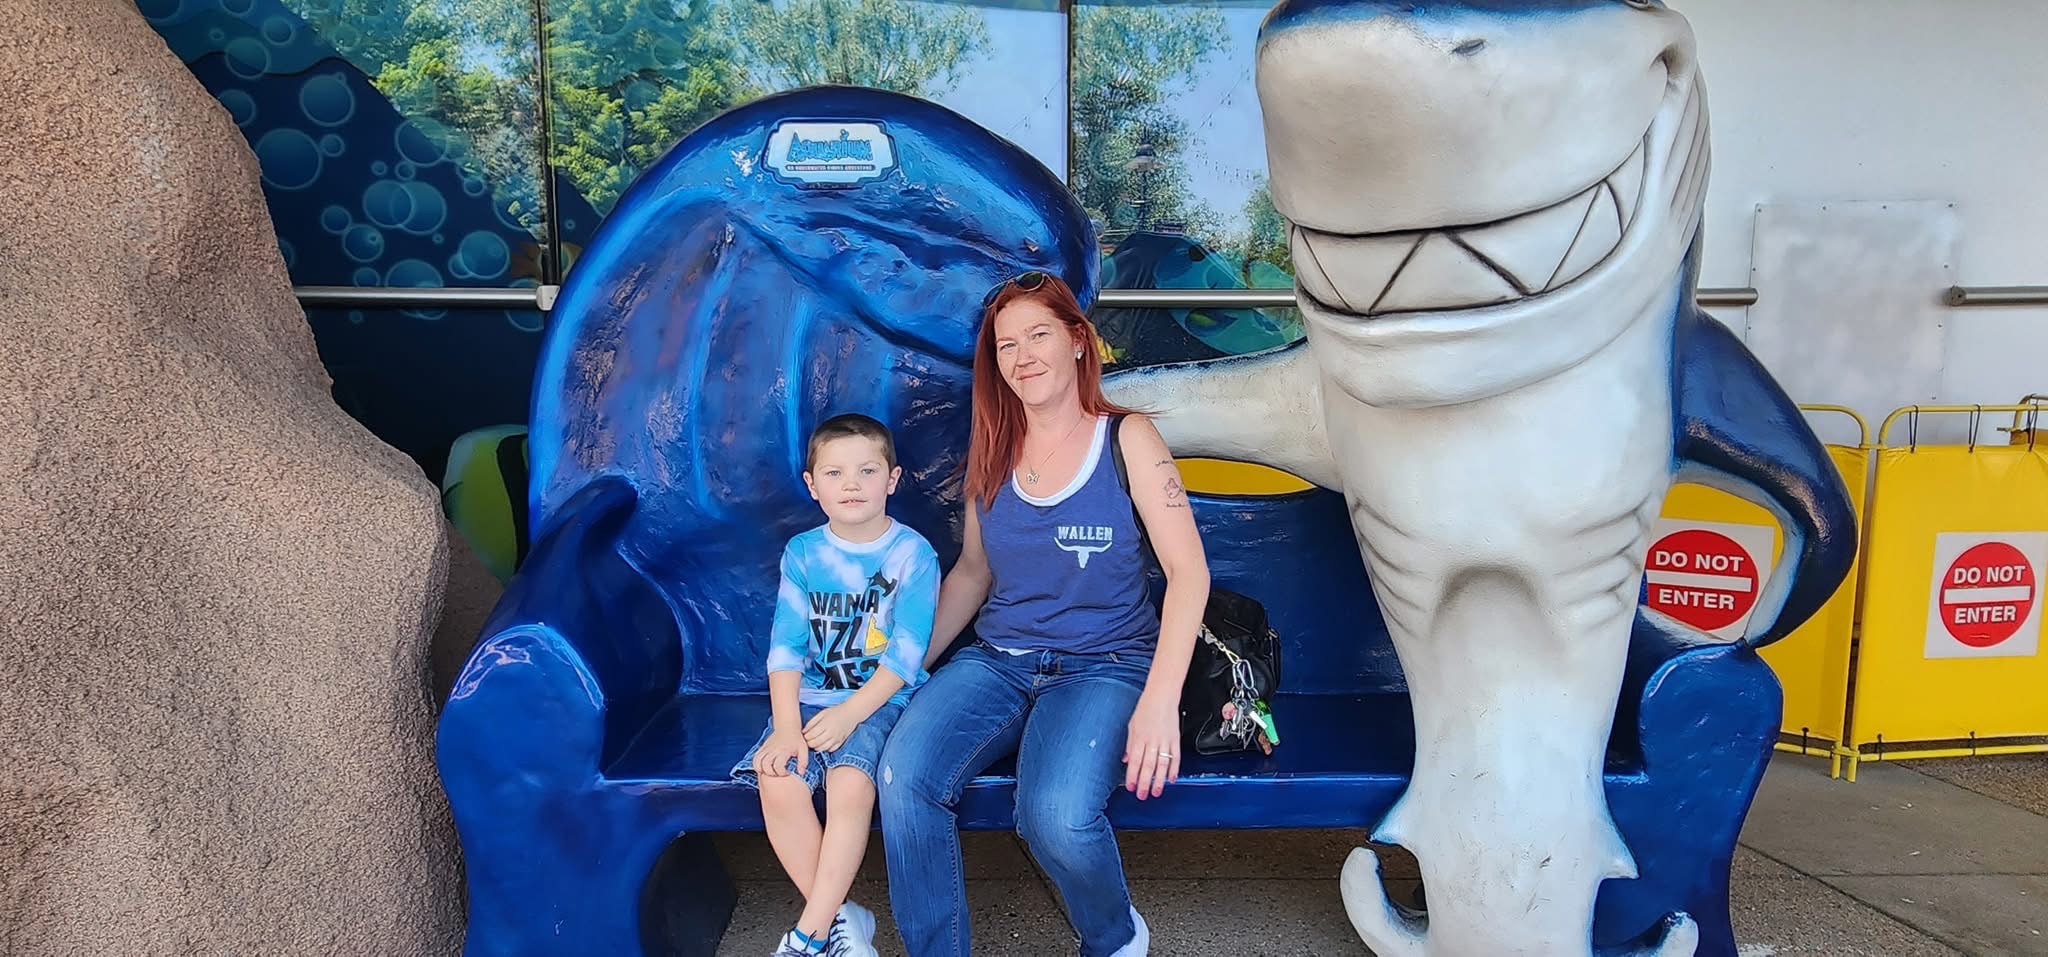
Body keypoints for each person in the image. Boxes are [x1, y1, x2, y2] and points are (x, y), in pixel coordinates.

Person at [876, 271, 1211, 956]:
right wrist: (898, 667)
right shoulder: (993, 447)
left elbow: (1189, 575)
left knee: (1053, 817)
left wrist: (1158, 703)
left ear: (1078, 341)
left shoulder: (1128, 438)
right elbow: (973, 574)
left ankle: (1114, 937)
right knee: (902, 778)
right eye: (1007, 345)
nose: (1023, 356)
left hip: (1106, 664)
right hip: (999, 659)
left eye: (1038, 335)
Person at [731, 413, 942, 957]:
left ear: (892, 480)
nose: (852, 484)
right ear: (813, 485)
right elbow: (786, 648)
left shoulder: (912, 554)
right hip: (809, 700)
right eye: (835, 473)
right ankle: (841, 918)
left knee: (851, 785)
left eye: (867, 471)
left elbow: (905, 656)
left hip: (881, 701)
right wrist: (785, 729)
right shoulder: (804, 552)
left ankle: (808, 936)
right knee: (778, 778)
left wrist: (851, 714)